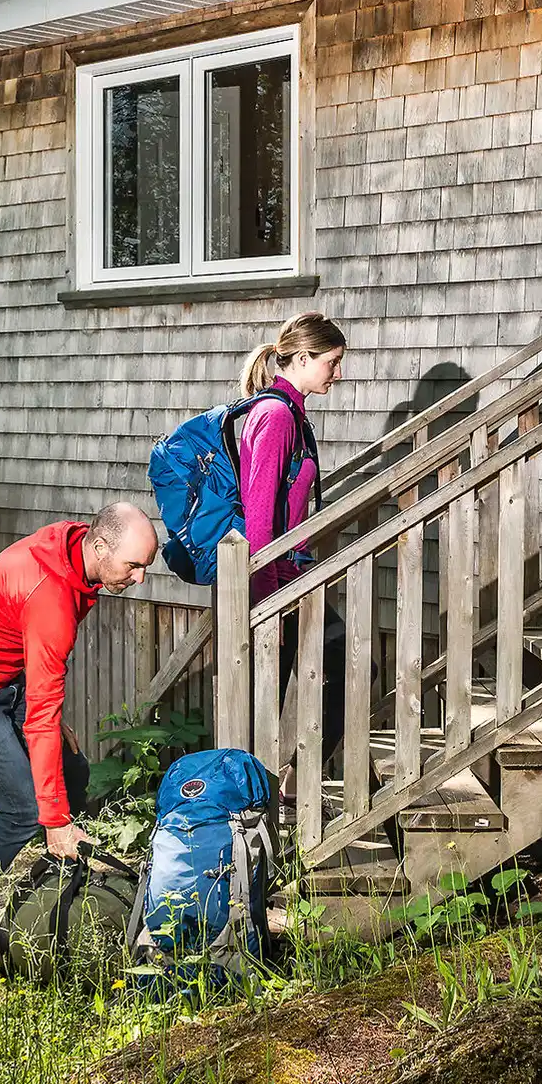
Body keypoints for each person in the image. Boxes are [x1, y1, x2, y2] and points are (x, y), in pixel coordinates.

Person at [0, 502, 158, 971]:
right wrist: (55, 819)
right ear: (101, 545)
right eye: (134, 565)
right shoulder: (53, 597)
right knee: (26, 809)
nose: (140, 578)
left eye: (146, 565)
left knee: (72, 769)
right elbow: (42, 709)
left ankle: (60, 878)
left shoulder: (77, 553)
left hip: (5, 680)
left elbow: (34, 669)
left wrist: (40, 712)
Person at [237, 314, 347, 764]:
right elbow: (259, 520)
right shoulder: (276, 416)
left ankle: (289, 788)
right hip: (275, 584)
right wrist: (270, 608)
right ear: (303, 357)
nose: (337, 374)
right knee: (262, 701)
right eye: (332, 362)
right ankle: (268, 798)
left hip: (291, 578)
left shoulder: (291, 414)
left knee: (339, 668)